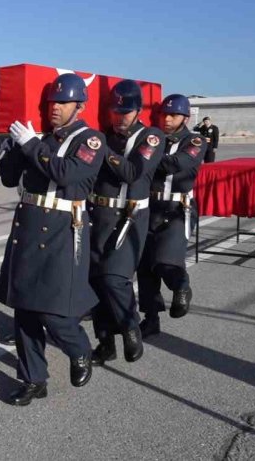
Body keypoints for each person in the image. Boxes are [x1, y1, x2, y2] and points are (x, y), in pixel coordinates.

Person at [0, 73, 103, 405]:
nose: (54, 108)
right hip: (28, 226)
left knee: (52, 312)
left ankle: (79, 348)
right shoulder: (39, 137)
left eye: (62, 102)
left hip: (61, 228)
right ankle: (33, 378)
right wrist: (15, 148)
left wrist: (31, 145)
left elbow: (67, 173)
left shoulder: (91, 140)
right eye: (51, 102)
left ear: (79, 106)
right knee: (25, 309)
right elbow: (6, 177)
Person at [87, 80, 165, 367]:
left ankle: (131, 326)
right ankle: (105, 341)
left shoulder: (151, 137)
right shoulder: (104, 136)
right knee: (95, 279)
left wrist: (101, 148)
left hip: (129, 217)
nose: (120, 118)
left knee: (115, 278)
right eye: (115, 112)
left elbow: (132, 172)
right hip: (98, 216)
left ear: (137, 111)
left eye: (126, 112)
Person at [137, 94, 205, 338]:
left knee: (166, 260)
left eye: (173, 115)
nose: (166, 119)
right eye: (164, 114)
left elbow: (176, 164)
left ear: (185, 117)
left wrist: (145, 158)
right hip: (149, 207)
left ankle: (181, 286)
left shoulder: (195, 140)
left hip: (177, 210)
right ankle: (151, 317)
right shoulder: (153, 138)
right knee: (145, 266)